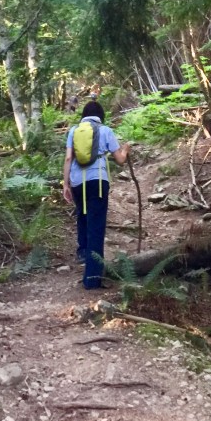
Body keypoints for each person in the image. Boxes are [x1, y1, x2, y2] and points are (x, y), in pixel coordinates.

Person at [62, 101, 131, 289]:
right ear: (100, 116)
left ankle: (83, 253)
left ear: (83, 115)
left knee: (82, 215)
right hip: (98, 181)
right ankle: (92, 279)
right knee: (96, 226)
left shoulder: (74, 130)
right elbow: (120, 160)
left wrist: (65, 184)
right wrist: (125, 149)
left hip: (77, 182)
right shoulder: (105, 130)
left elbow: (69, 158)